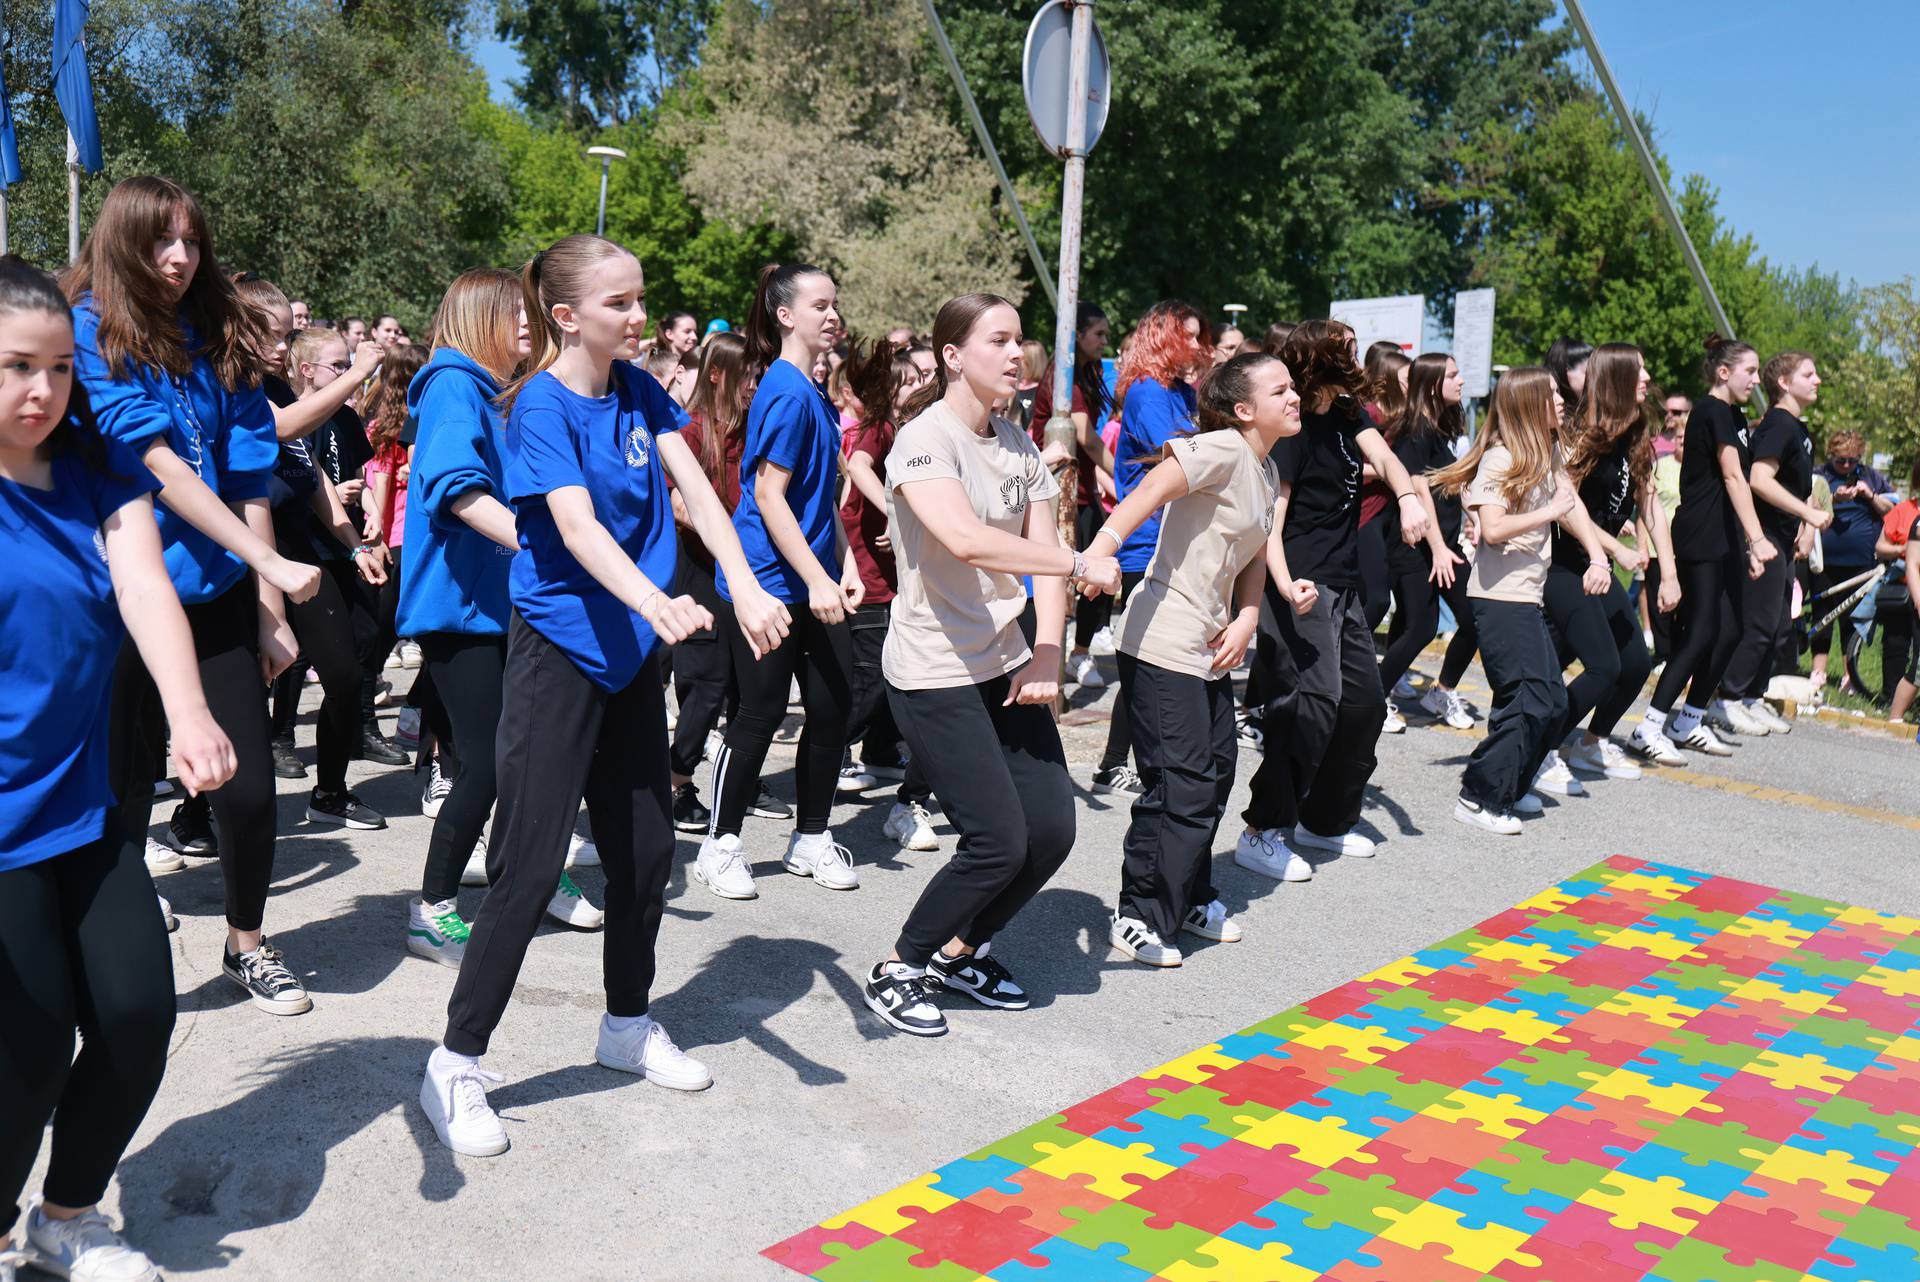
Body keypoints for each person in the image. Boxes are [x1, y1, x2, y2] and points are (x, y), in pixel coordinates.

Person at [419, 234, 790, 1156]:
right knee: (532, 864)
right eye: (620, 303)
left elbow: (699, 488)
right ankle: (456, 1063)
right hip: (561, 651)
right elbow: (575, 526)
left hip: (633, 652)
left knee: (647, 850)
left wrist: (741, 583)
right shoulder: (538, 405)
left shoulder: (636, 389)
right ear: (566, 315)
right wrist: (654, 600)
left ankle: (626, 1025)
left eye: (639, 298)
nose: (638, 316)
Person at [0, 255, 239, 1282]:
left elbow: (146, 587)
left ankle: (64, 1217)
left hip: (88, 805)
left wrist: (190, 712)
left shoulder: (99, 472)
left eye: (58, 368)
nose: (41, 391)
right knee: (32, 1047)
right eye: (15, 367)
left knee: (140, 1013)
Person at [71, 175, 324, 1016]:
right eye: (160, 241)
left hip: (214, 601)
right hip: (114, 607)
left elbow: (249, 473)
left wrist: (269, 606)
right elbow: (158, 465)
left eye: (191, 241)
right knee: (119, 795)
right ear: (121, 242)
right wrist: (273, 563)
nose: (180, 258)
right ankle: (102, 953)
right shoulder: (87, 331)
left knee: (248, 795)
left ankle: (245, 943)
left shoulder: (218, 334)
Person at [860, 292, 1119, 1036]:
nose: (1016, 354)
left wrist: (1047, 654)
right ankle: (899, 965)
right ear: (951, 356)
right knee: (997, 839)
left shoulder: (1019, 445)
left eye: (1019, 341)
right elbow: (966, 539)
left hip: (1007, 660)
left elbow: (1040, 570)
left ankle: (959, 951)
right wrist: (1079, 559)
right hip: (934, 670)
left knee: (1052, 831)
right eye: (997, 341)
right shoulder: (922, 441)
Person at [1095, 351, 1298, 966]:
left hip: (1209, 643)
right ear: (1244, 410)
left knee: (1216, 771)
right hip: (1162, 641)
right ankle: (1140, 914)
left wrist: (1247, 615)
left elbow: (1257, 551)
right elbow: (1156, 484)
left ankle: (1185, 896)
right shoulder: (1224, 449)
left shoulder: (1263, 470)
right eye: (1280, 390)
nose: (1293, 398)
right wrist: (1103, 545)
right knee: (1178, 783)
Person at [1236, 320, 1429, 880]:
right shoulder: (1293, 429)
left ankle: (1322, 821)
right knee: (1315, 703)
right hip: (1301, 583)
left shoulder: (1347, 411)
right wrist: (1284, 580)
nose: (1357, 356)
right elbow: (1273, 518)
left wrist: (1410, 499)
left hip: (1342, 584)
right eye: (1346, 348)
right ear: (1319, 357)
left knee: (1365, 706)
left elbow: (1389, 461)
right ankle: (1262, 829)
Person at [694, 263, 863, 899]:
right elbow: (768, 496)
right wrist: (818, 578)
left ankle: (812, 837)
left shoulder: (813, 391)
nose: (833, 314)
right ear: (786, 315)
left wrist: (841, 565)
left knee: (831, 708)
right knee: (759, 714)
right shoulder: (787, 392)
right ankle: (721, 844)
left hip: (812, 578)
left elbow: (821, 499)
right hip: (766, 582)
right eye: (820, 304)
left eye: (836, 304)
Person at [260, 319, 392, 830]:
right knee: (256, 681)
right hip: (252, 553)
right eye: (269, 333)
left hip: (308, 555)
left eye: (283, 334)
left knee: (343, 671)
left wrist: (356, 542)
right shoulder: (248, 392)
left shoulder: (273, 390)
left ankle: (331, 792)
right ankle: (200, 809)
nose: (279, 345)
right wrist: (358, 371)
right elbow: (284, 428)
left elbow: (316, 477)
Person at [1433, 367, 1578, 835]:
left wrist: (1602, 552)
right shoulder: (1499, 460)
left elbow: (1570, 502)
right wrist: (1550, 511)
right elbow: (1492, 530)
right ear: (1530, 403)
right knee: (1530, 698)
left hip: (1526, 597)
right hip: (1499, 600)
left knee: (1553, 700)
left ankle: (1511, 786)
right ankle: (1479, 796)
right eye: (1552, 393)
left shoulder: (1544, 454)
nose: (1561, 400)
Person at [1630, 335, 1769, 765]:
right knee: (1703, 632)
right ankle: (1649, 726)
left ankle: (1688, 720)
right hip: (1701, 532)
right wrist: (1758, 538)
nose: (1756, 379)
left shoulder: (1735, 414)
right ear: (1723, 372)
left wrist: (1743, 541)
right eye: (1750, 370)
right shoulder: (1711, 410)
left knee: (1729, 632)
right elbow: (1732, 477)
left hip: (1723, 535)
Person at [1093, 300, 1212, 797]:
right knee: (1147, 660)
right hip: (1146, 543)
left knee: (1152, 658)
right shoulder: (1147, 391)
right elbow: (1187, 451)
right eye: (1189, 337)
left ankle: (1118, 763)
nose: (1198, 346)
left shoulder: (1182, 390)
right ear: (1163, 338)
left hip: (1176, 539)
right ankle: (1119, 764)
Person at [1545, 344, 1673, 788]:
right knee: (1600, 666)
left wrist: (1668, 573)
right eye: (1639, 369)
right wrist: (1612, 549)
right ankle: (1540, 745)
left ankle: (1589, 742)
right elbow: (1564, 505)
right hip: (1566, 565)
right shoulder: (1584, 434)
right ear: (1616, 377)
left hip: (1599, 567)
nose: (1647, 377)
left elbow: (1649, 503)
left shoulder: (1635, 431)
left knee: (1635, 663)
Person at [838, 337, 941, 852]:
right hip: (868, 570)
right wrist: (897, 515)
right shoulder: (879, 427)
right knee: (872, 674)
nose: (920, 386)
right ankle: (828, 746)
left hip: (892, 571)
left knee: (891, 669)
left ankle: (879, 752)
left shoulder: (911, 431)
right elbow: (856, 468)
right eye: (910, 379)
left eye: (925, 378)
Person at [1718, 352, 1828, 731]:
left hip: (1782, 539)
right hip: (1761, 540)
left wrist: (1802, 520)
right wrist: (1807, 512)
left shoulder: (1798, 428)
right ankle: (1727, 698)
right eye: (1808, 374)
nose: (1817, 380)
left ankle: (1752, 696)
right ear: (1783, 382)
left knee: (1781, 626)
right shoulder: (1779, 425)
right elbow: (1759, 480)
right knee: (1761, 624)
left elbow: (1790, 484)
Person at [1375, 353, 1478, 730]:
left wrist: (1475, 518)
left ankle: (1441, 691)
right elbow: (1417, 490)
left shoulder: (1442, 426)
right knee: (1421, 626)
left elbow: (1455, 482)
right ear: (1433, 383)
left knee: (1473, 618)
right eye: (1453, 375)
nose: (1461, 381)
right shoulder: (1413, 430)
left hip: (1443, 547)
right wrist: (1437, 549)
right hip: (1415, 546)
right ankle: (1374, 699)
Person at [1029, 302, 1114, 690]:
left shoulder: (1089, 373)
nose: (1104, 341)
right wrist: (1125, 479)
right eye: (1098, 334)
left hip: (1080, 489)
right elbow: (1088, 440)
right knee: (1058, 574)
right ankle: (1046, 657)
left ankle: (1079, 652)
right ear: (1077, 336)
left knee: (1097, 566)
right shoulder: (1065, 380)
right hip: (1054, 491)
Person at [1808, 429, 1896, 694]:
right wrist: (1834, 498)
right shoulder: (1821, 475)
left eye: (1852, 460)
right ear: (1831, 456)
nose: (1846, 465)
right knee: (1822, 614)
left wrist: (1869, 495)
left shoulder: (1872, 476)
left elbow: (1892, 509)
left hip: (1860, 561)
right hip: (1825, 558)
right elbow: (1809, 505)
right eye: (1841, 460)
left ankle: (1849, 676)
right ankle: (1818, 671)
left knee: (1852, 618)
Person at [1357, 345, 1412, 639]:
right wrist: (1390, 471)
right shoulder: (1369, 413)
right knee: (1377, 599)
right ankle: (1343, 655)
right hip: (1365, 514)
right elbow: (1351, 465)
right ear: (1389, 380)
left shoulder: (1398, 414)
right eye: (1406, 379)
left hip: (1388, 512)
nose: (1412, 386)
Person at [1653, 390, 1689, 458]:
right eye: (1665, 412)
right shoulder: (1653, 444)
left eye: (1675, 412)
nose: (1669, 415)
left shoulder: (1699, 444)